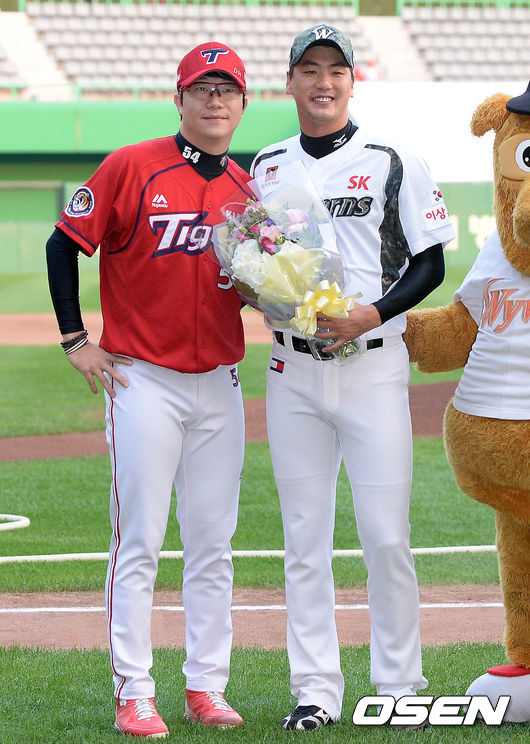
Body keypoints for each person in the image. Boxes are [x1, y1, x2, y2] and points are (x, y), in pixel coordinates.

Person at [250, 25, 455, 731]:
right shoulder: (267, 165)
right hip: (292, 370)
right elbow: (257, 257)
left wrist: (371, 313)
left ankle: (399, 685)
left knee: (386, 536)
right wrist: (257, 289)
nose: (323, 81)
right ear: (291, 82)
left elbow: (431, 263)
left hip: (372, 364)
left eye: (335, 70)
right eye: (309, 69)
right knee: (304, 540)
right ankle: (315, 689)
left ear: (351, 80)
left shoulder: (391, 159)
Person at [46, 42, 252, 738]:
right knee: (139, 541)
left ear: (243, 103)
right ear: (180, 97)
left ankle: (206, 687)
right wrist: (76, 339)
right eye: (203, 88)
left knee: (213, 544)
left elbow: (252, 287)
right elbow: (62, 243)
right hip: (144, 382)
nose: (215, 100)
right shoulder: (132, 166)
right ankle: (134, 691)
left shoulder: (248, 190)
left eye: (227, 89)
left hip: (220, 384)